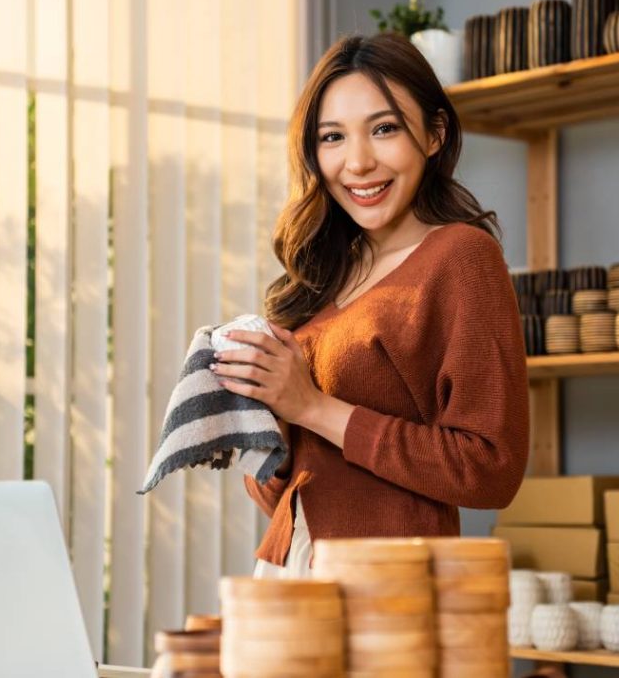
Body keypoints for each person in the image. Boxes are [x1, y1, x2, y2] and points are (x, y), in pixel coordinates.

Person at [210, 33, 529, 578]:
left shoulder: (461, 258)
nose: (357, 162)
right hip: (291, 570)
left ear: (434, 134)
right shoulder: (322, 276)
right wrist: (271, 428)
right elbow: (283, 497)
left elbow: (490, 469)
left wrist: (312, 407)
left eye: (384, 129)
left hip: (389, 589)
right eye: (332, 137)